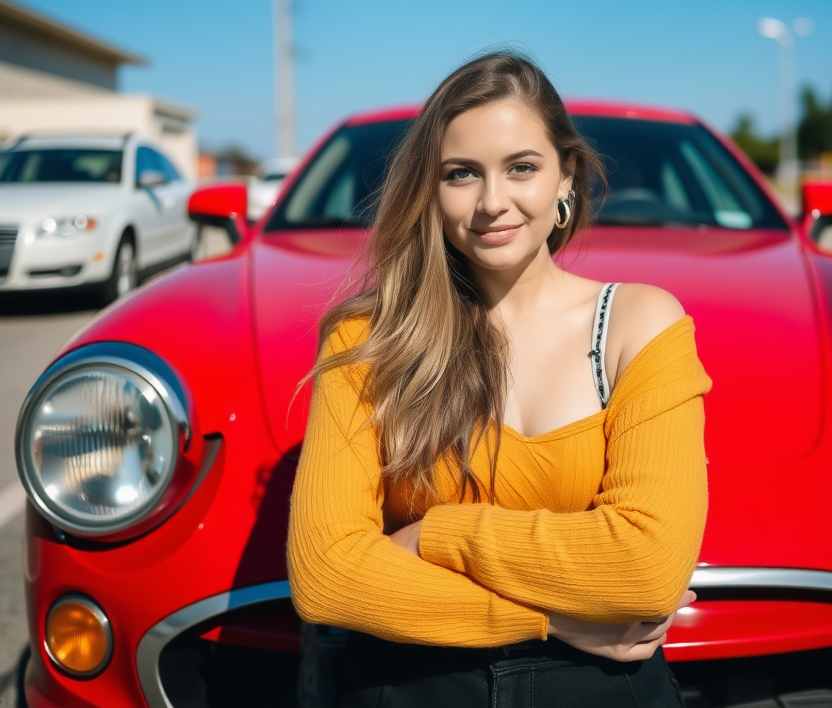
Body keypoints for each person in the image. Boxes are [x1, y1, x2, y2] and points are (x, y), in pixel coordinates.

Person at [288, 52, 712, 707]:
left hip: (606, 691)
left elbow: (646, 568)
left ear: (566, 176)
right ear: (430, 189)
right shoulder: (367, 338)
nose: (492, 202)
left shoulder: (639, 321)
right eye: (462, 174)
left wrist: (436, 535)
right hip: (410, 687)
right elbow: (326, 575)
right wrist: (553, 620)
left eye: (522, 167)